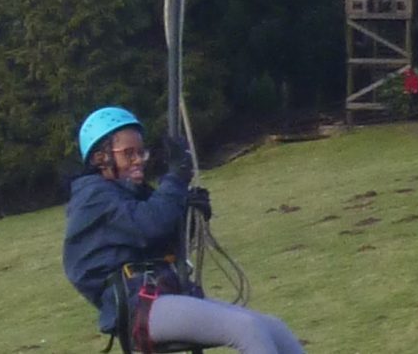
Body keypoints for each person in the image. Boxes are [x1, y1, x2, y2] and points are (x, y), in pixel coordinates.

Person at [63, 107, 304, 354]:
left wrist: (191, 213)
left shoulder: (133, 195)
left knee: (274, 328)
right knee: (247, 328)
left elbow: (166, 238)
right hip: (139, 306)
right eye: (128, 153)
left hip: (164, 293)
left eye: (141, 152)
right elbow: (150, 225)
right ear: (100, 159)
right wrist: (176, 179)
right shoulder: (93, 197)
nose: (138, 160)